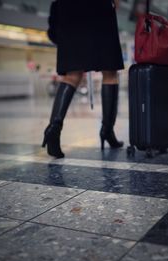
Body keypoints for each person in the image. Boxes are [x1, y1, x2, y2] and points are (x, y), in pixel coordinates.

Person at [42, 0, 124, 158]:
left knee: (72, 74)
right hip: (99, 8)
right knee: (110, 72)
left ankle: (54, 129)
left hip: (69, 9)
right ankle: (107, 130)